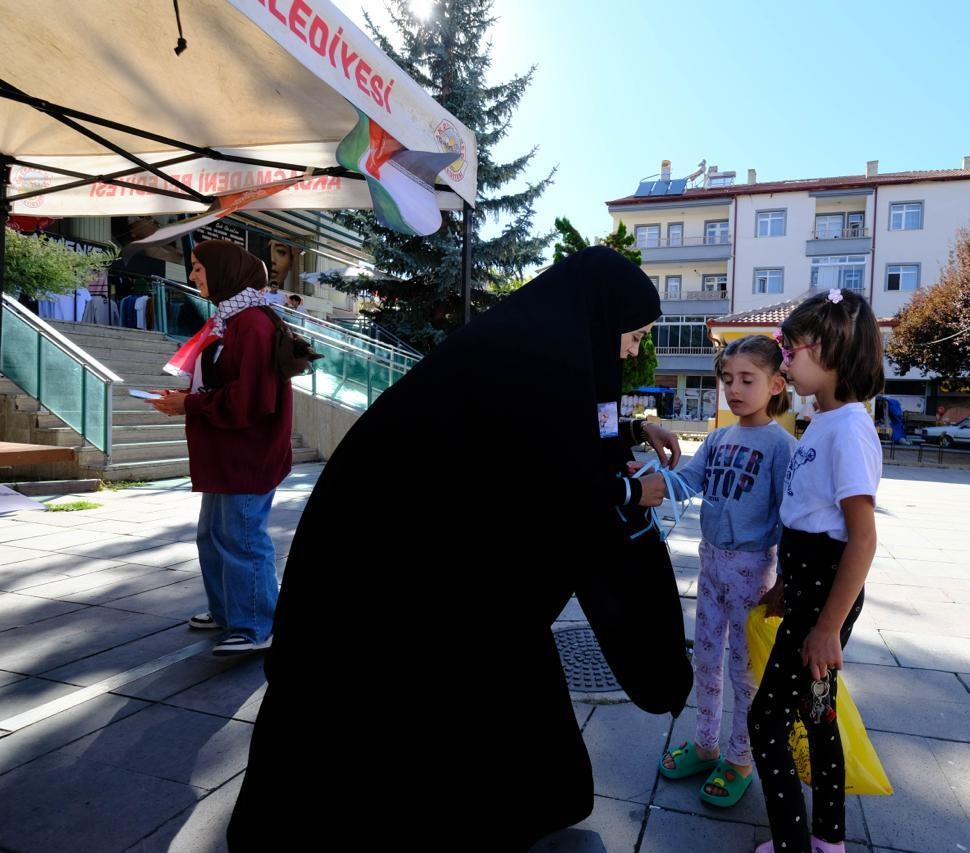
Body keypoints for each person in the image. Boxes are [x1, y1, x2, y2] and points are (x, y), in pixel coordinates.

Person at [227, 247, 693, 851]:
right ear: (605, 315)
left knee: (487, 676)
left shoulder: (539, 340)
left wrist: (634, 429)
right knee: (385, 700)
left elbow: (570, 428)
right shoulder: (540, 355)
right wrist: (635, 489)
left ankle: (517, 807)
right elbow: (554, 481)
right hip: (393, 568)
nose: (630, 349)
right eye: (634, 336)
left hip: (432, 558)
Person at [749, 288, 883, 853]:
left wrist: (826, 626)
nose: (784, 360)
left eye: (789, 347)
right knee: (817, 711)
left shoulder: (849, 428)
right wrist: (784, 585)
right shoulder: (822, 420)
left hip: (824, 597)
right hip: (807, 586)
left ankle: (793, 846)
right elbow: (810, 516)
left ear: (828, 349)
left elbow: (861, 538)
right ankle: (829, 838)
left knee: (765, 726)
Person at [656, 335, 796, 808]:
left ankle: (739, 758)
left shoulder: (782, 447)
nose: (734, 389)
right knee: (707, 658)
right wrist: (647, 476)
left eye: (747, 379)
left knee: (745, 669)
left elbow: (790, 515)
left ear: (777, 384)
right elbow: (687, 482)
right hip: (711, 562)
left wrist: (783, 582)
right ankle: (705, 743)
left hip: (753, 569)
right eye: (727, 379)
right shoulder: (717, 437)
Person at [146, 240, 291, 656]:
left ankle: (255, 625)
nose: (192, 276)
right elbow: (225, 384)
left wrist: (189, 403)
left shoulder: (252, 324)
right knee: (214, 535)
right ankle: (229, 612)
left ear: (224, 270)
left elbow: (251, 401)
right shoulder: (232, 319)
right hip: (229, 453)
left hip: (247, 455)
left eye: (198, 267)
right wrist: (185, 396)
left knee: (242, 538)